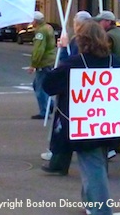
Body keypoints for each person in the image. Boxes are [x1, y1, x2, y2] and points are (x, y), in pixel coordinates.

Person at [43, 20, 120, 215]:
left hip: (85, 128)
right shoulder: (115, 62)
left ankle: (101, 211)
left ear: (81, 40)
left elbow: (49, 85)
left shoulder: (73, 64)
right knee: (96, 165)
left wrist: (62, 54)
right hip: (109, 125)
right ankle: (90, 204)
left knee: (93, 168)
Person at [40, 11, 92, 167]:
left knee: (63, 125)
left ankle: (58, 160)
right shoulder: (94, 41)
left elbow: (68, 63)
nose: (74, 27)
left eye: (75, 24)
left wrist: (63, 48)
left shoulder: (78, 41)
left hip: (73, 90)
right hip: (86, 90)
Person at [94, 10, 120, 153]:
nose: (99, 24)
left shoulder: (109, 36)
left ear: (108, 22)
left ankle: (114, 142)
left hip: (113, 76)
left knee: (111, 110)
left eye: (101, 21)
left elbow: (103, 54)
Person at [27, 11, 56, 120]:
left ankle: (45, 111)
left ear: (35, 21)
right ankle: (50, 105)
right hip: (50, 60)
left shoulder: (40, 32)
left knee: (40, 88)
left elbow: (39, 49)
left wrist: (33, 64)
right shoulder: (48, 27)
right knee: (37, 85)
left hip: (43, 62)